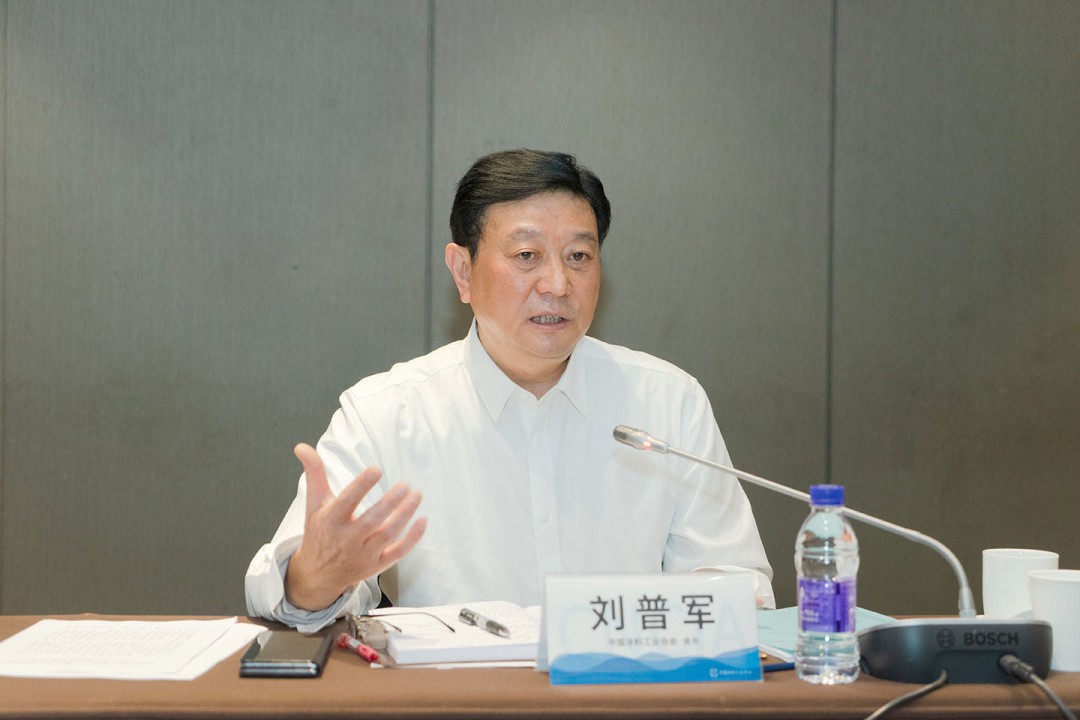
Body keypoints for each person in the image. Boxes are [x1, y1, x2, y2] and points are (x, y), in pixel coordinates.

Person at [245, 149, 774, 632]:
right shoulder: (387, 414)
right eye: (526, 255)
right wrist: (315, 578)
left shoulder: (669, 403)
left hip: (625, 690)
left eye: (579, 256)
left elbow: (735, 583)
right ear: (463, 271)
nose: (557, 284)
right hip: (456, 694)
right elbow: (289, 591)